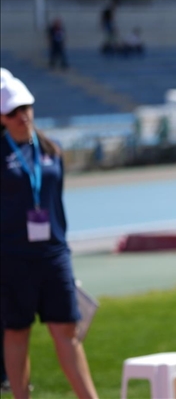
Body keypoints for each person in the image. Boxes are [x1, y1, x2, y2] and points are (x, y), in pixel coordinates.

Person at [0, 68, 99, 399]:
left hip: (53, 254)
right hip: (11, 257)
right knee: (16, 333)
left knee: (67, 330)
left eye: (26, 107)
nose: (22, 116)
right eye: (13, 111)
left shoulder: (49, 149)